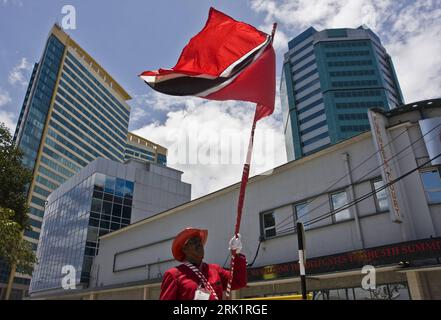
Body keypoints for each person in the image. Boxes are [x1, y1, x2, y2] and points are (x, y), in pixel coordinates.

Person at [159, 227, 247, 300]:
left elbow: (238, 281)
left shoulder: (214, 269)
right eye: (193, 241)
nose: (199, 244)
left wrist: (236, 253)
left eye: (199, 241)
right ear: (184, 249)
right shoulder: (174, 275)